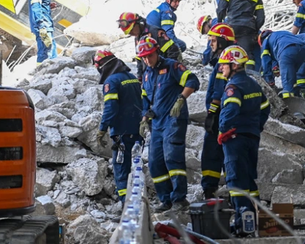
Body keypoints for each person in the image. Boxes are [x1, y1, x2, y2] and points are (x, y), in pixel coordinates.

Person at [138, 37, 199, 213]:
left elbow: (192, 81)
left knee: (172, 157)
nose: (147, 60)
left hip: (173, 120)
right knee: (155, 163)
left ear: (157, 52)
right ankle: (165, 199)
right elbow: (145, 98)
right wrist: (144, 118)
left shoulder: (172, 66)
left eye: (150, 55)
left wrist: (181, 99)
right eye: (144, 57)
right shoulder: (147, 74)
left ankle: (180, 199)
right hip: (156, 123)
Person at [217, 45, 270, 236]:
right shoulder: (253, 84)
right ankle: (253, 222)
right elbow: (265, 107)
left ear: (234, 65)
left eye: (224, 64)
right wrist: (257, 126)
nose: (221, 67)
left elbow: (230, 111)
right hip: (251, 137)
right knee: (248, 179)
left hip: (235, 138)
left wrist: (222, 130)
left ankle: (243, 223)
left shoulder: (233, 87)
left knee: (236, 180)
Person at [93, 49, 142, 204]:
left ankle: (125, 205)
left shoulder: (111, 82)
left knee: (121, 168)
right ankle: (137, 200)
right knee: (135, 168)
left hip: (121, 131)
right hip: (137, 130)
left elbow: (110, 108)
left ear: (102, 66)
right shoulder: (132, 78)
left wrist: (102, 129)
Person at [201, 23, 236, 199]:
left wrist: (212, 114)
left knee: (212, 151)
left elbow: (218, 91)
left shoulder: (224, 62)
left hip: (220, 116)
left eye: (214, 40)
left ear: (223, 41)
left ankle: (210, 188)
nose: (211, 44)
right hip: (223, 115)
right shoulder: (227, 60)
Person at [217, 0, 264, 69]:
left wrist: (220, 23)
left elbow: (221, 8)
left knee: (226, 51)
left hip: (231, 26)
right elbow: (261, 18)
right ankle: (250, 75)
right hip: (248, 28)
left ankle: (223, 73)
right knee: (248, 55)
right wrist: (255, 30)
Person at [117, 12, 181, 80]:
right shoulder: (137, 38)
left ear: (138, 23)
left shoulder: (155, 32)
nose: (131, 33)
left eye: (131, 30)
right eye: (129, 33)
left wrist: (169, 71)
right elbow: (139, 60)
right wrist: (140, 76)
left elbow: (173, 51)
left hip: (163, 74)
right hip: (151, 77)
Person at [29, 0, 65, 65]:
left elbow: (41, 6)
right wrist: (41, 26)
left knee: (52, 53)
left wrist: (48, 6)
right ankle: (39, 74)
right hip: (43, 27)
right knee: (44, 53)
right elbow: (35, 8)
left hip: (46, 26)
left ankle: (52, 74)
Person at [258, 30, 305, 99]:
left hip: (286, 51)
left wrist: (269, 81)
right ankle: (297, 94)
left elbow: (266, 62)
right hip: (302, 50)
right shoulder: (282, 34)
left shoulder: (266, 40)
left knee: (287, 83)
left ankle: (290, 103)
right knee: (292, 77)